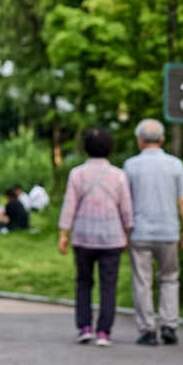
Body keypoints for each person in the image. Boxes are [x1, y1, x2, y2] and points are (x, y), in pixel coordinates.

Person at [58, 127, 133, 346]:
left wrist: (63, 232)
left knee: (83, 281)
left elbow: (69, 206)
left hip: (83, 236)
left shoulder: (77, 174)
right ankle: (104, 332)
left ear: (86, 147)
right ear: (110, 148)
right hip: (112, 237)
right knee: (108, 284)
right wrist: (127, 233)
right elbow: (126, 209)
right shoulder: (119, 175)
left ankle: (84, 327)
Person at [123, 118, 183, 346]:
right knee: (170, 279)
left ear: (140, 140)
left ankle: (147, 330)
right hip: (168, 231)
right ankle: (169, 326)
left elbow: (125, 202)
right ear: (162, 139)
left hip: (139, 232)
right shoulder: (175, 165)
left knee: (142, 282)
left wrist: (124, 232)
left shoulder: (130, 165)